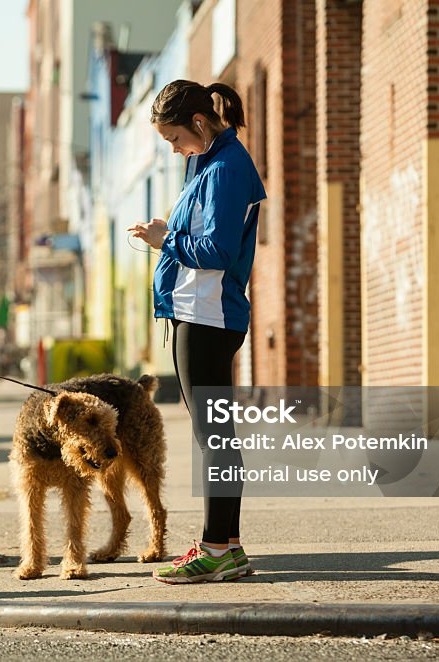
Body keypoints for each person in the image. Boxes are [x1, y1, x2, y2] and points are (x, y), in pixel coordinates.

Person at [129, 79, 266, 584]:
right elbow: (201, 237)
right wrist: (168, 235)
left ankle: (215, 549)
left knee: (215, 439)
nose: (173, 148)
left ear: (200, 124)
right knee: (216, 436)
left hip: (209, 315)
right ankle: (226, 546)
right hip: (198, 312)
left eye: (174, 138)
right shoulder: (207, 163)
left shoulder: (228, 168)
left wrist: (167, 239)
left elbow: (219, 250)